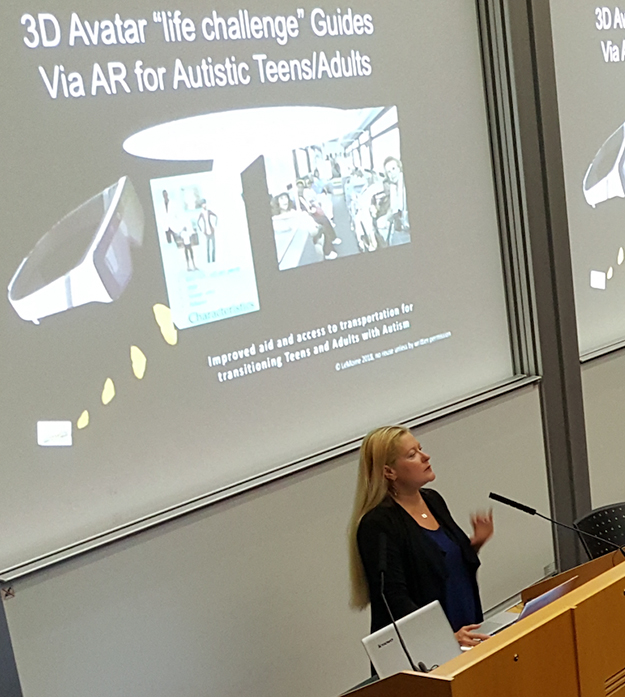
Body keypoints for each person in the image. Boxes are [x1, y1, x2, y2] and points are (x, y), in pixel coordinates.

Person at [348, 426, 494, 648]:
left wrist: (474, 544)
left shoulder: (432, 500)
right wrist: (444, 637)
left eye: (420, 449)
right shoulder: (378, 523)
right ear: (389, 472)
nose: (425, 457)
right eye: (412, 455)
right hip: (425, 646)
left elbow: (439, 562)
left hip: (465, 627)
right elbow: (393, 597)